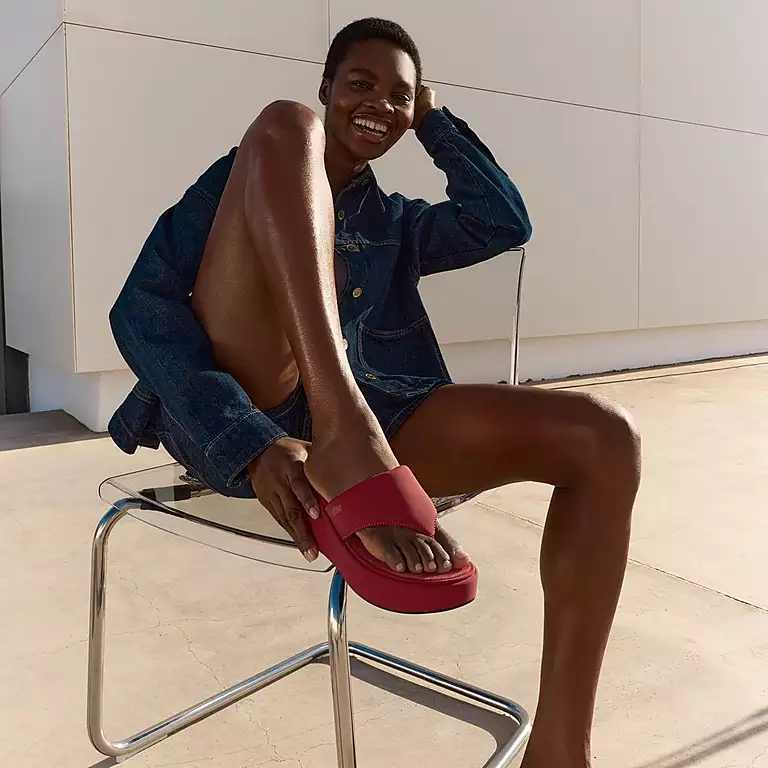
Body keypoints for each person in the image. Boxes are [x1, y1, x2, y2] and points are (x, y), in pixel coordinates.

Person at [109, 17, 641, 768]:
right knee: (283, 127)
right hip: (255, 413)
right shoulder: (240, 178)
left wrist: (433, 121)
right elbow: (139, 311)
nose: (381, 105)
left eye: (399, 96)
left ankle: (559, 753)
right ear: (327, 86)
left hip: (385, 419)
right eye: (360, 84)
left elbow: (503, 221)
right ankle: (344, 437)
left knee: (605, 437)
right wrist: (249, 442)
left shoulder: (396, 223)